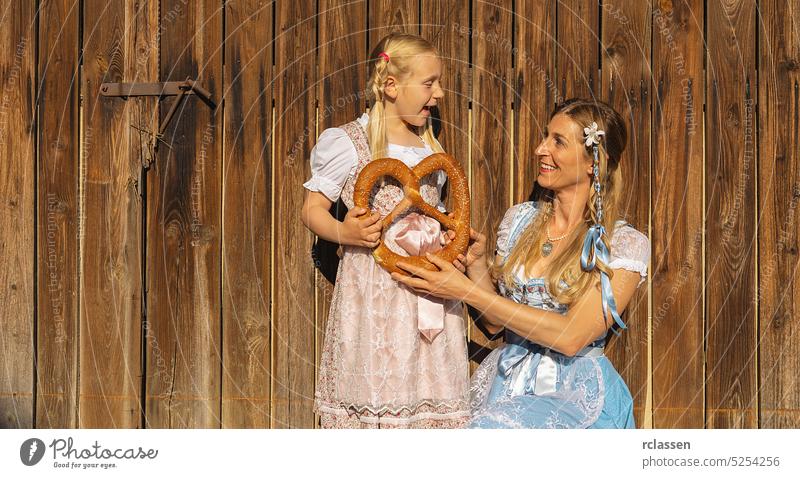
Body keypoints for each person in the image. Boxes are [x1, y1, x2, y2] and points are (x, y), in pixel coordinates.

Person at [392, 98, 651, 428]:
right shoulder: (519, 222)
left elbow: (571, 337)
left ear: (593, 162)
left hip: (574, 395)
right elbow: (494, 325)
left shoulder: (622, 244)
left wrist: (466, 292)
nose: (541, 149)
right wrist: (476, 266)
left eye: (558, 141)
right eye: (545, 137)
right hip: (507, 383)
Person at [301, 32, 470, 428]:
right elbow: (312, 210)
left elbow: (437, 213)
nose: (440, 93)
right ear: (391, 86)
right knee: (381, 381)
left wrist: (446, 238)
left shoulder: (431, 150)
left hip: (430, 286)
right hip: (375, 289)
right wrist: (346, 232)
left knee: (429, 385)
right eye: (430, 83)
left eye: (439, 82)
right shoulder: (348, 142)